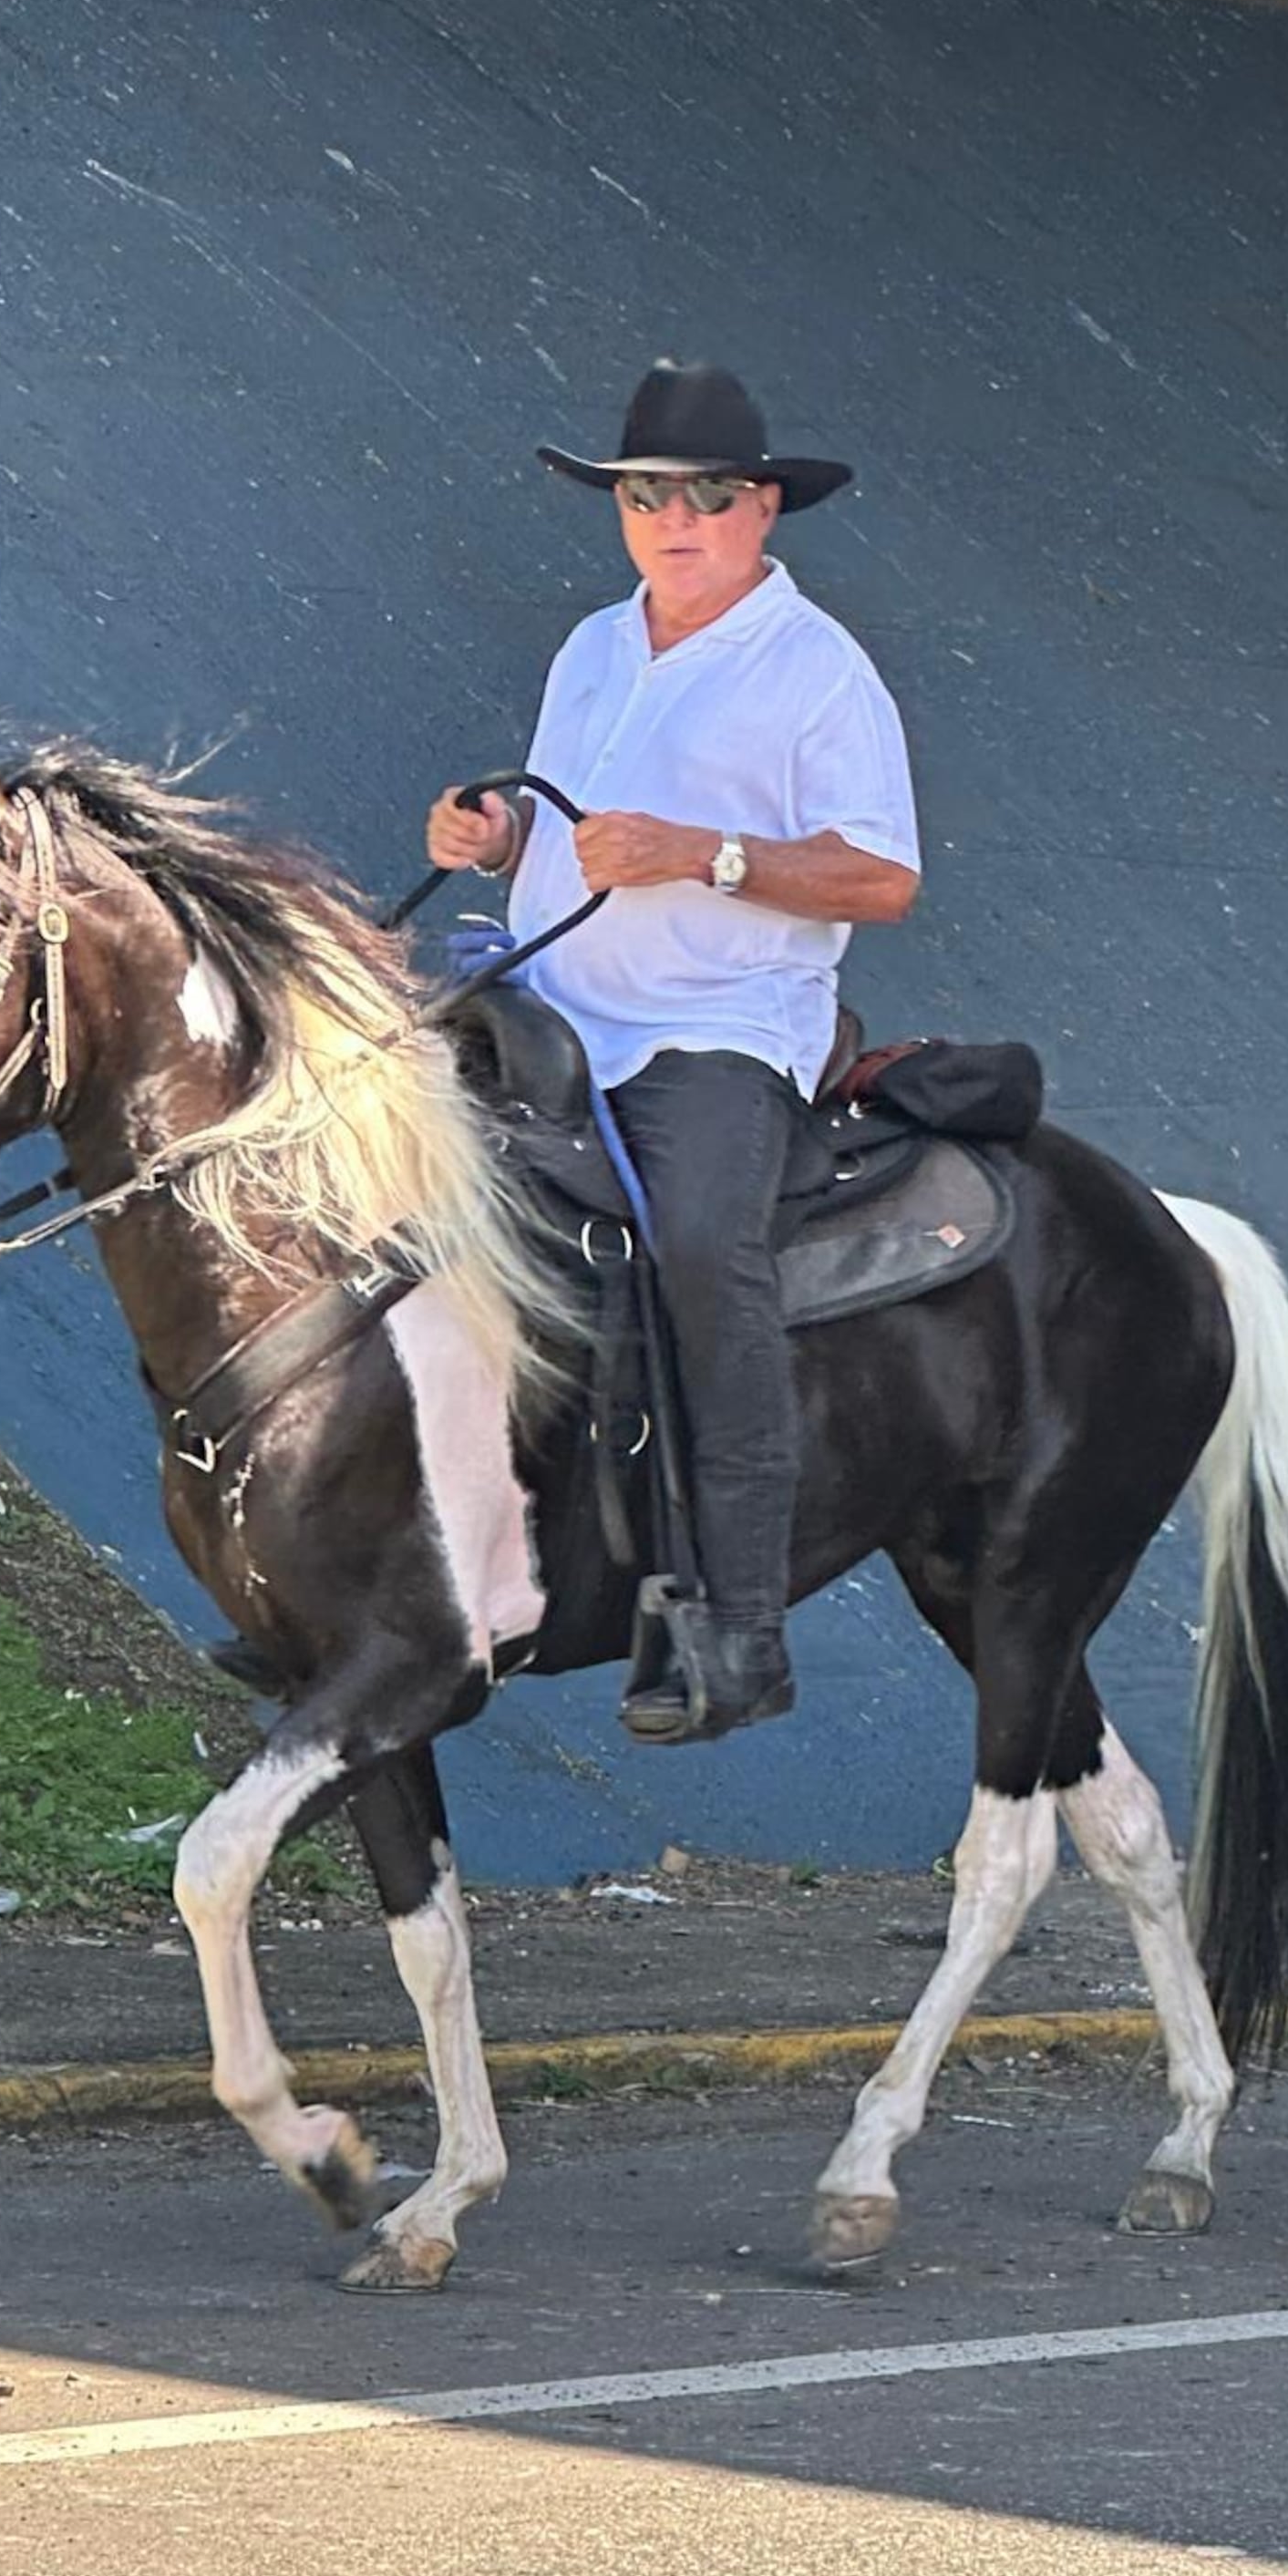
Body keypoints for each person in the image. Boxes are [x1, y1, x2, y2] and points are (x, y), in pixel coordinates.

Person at [426, 357, 922, 1740]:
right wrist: (501, 836)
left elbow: (883, 878)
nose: (672, 518)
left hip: (715, 1027)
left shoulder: (820, 672)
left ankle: (742, 1621)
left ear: (762, 508)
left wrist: (703, 856)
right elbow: (579, 829)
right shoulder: (593, 645)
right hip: (549, 1004)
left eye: (705, 495)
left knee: (705, 1247)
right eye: (645, 495)